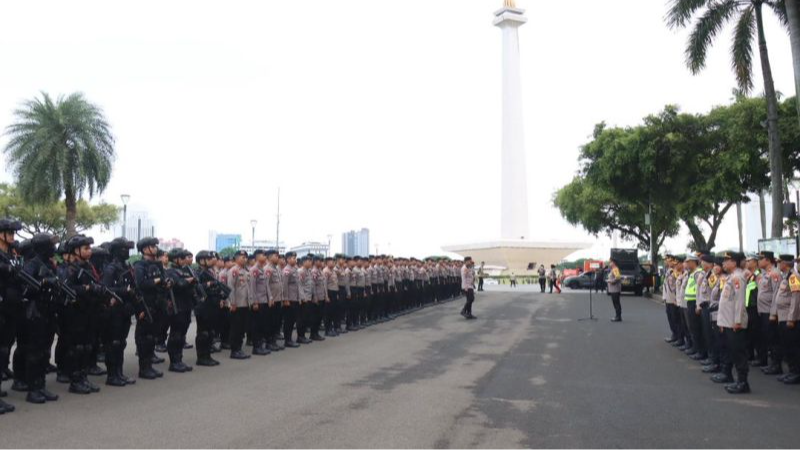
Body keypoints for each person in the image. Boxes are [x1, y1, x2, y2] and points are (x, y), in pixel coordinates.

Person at [100, 237, 137, 386]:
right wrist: (123, 291)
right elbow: (106, 289)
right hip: (114, 311)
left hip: (125, 310)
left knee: (121, 343)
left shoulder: (126, 266)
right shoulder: (111, 268)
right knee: (113, 343)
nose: (127, 252)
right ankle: (112, 375)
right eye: (124, 249)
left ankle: (119, 373)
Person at [134, 238, 169, 380]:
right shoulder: (139, 265)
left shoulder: (157, 264)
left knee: (153, 336)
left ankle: (149, 365)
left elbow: (163, 279)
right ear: (144, 249)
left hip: (158, 303)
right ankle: (144, 368)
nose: (155, 248)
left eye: (155, 246)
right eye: (152, 246)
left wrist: (167, 283)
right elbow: (141, 284)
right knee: (145, 337)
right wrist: (159, 281)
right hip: (146, 304)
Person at [716, 251, 750, 394]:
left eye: (726, 260)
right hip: (728, 322)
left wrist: (737, 321)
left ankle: (743, 383)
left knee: (739, 353)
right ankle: (736, 379)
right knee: (733, 352)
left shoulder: (737, 278)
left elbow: (739, 302)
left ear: (734, 263)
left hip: (735, 323)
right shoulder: (731, 277)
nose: (723, 263)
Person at [0, 219, 24, 413]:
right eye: (10, 233)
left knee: (5, 348)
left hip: (11, 307)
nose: (13, 237)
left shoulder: (10, 255)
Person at [770, 255, 800, 384]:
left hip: (789, 317)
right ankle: (791, 371)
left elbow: (795, 298)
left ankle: (796, 372)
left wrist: (792, 318)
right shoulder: (785, 277)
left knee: (793, 346)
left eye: (779, 262)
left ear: (785, 264)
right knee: (786, 345)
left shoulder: (793, 277)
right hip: (782, 317)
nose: (777, 264)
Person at [226, 250, 252, 359]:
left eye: (246, 257)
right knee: (236, 329)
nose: (244, 259)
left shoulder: (246, 271)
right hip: (236, 304)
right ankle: (234, 350)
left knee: (242, 328)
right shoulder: (233, 271)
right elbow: (230, 288)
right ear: (236, 259)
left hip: (245, 304)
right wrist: (232, 303)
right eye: (242, 257)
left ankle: (239, 349)